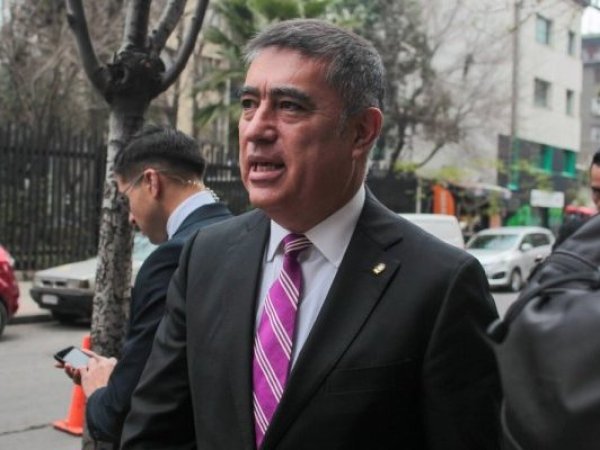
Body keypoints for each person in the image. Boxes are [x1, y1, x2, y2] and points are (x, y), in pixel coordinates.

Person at [121, 20, 501, 450]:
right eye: (249, 104)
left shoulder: (440, 285)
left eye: (289, 107)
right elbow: (155, 432)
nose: (256, 128)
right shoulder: (204, 256)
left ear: (361, 131)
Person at [65, 126, 232, 447]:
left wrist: (100, 390)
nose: (130, 217)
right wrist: (124, 372)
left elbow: (121, 413)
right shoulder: (241, 233)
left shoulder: (170, 259)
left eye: (126, 197)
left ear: (151, 182)